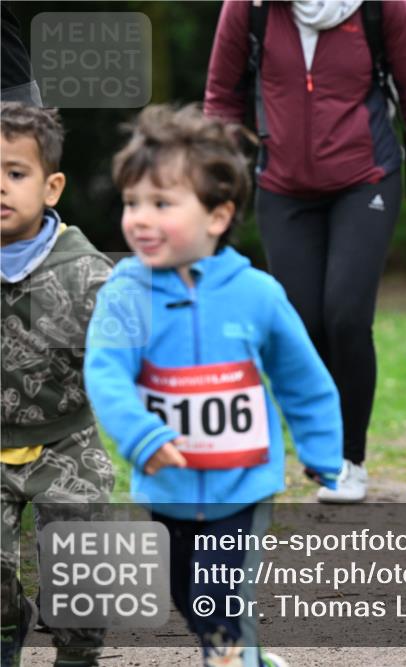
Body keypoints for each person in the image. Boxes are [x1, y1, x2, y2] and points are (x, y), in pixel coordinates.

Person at [84, 105, 344, 667]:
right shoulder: (124, 294)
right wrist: (142, 438)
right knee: (189, 596)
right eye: (133, 203)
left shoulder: (257, 293)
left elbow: (302, 378)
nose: (140, 219)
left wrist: (324, 451)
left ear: (218, 215)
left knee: (223, 594)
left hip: (242, 483)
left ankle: (232, 654)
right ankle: (234, 649)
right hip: (167, 484)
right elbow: (105, 372)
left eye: (162, 203)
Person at [204, 0, 406, 502]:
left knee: (345, 316)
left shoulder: (384, 9)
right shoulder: (249, 9)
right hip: (283, 187)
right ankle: (321, 447)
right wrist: (215, 185)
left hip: (365, 180)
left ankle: (349, 458)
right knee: (302, 322)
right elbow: (222, 100)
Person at [1, 102, 113, 667]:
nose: (0, 188)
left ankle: (77, 654)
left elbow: (127, 359)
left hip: (66, 442)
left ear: (51, 186)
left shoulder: (85, 271)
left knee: (81, 573)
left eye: (15, 173)